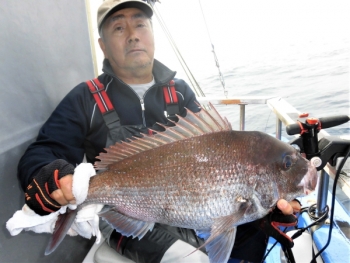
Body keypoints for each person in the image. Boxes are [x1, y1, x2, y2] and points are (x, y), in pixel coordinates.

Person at [17, 0, 301, 262]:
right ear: (103, 46)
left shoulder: (180, 93)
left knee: (257, 238)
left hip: (190, 207)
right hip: (123, 212)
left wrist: (266, 208)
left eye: (140, 24)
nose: (132, 34)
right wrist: (49, 176)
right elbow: (41, 153)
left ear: (152, 33)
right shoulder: (85, 98)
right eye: (119, 27)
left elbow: (221, 162)